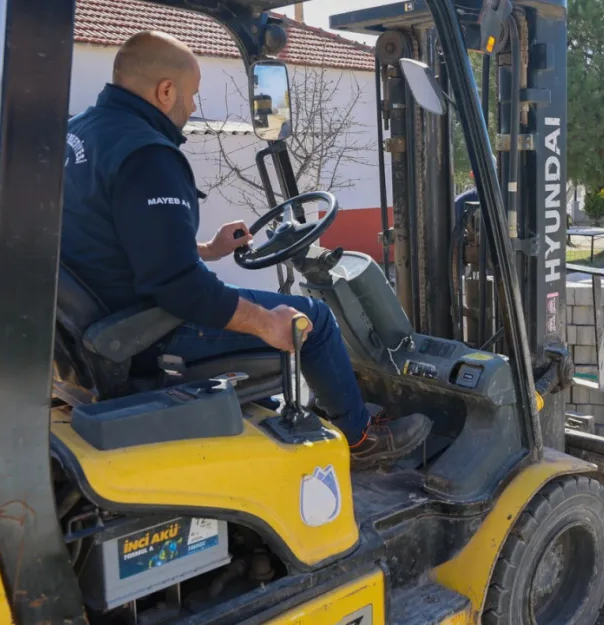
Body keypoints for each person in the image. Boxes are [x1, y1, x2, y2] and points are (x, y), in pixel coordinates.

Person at [60, 31, 431, 469]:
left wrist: (207, 248)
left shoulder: (78, 135)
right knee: (313, 321)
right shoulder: (149, 156)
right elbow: (181, 290)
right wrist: (264, 323)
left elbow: (117, 242)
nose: (193, 107)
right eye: (192, 95)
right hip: (149, 331)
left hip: (102, 325)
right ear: (165, 91)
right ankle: (359, 439)